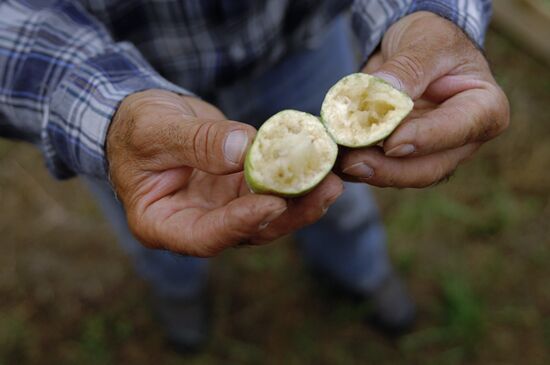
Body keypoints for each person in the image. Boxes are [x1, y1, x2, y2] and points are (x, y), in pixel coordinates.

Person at [0, 0, 509, 353]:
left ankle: (361, 272)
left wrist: (429, 14)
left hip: (297, 49)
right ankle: (179, 295)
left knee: (344, 197)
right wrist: (104, 113)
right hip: (118, 87)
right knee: (158, 226)